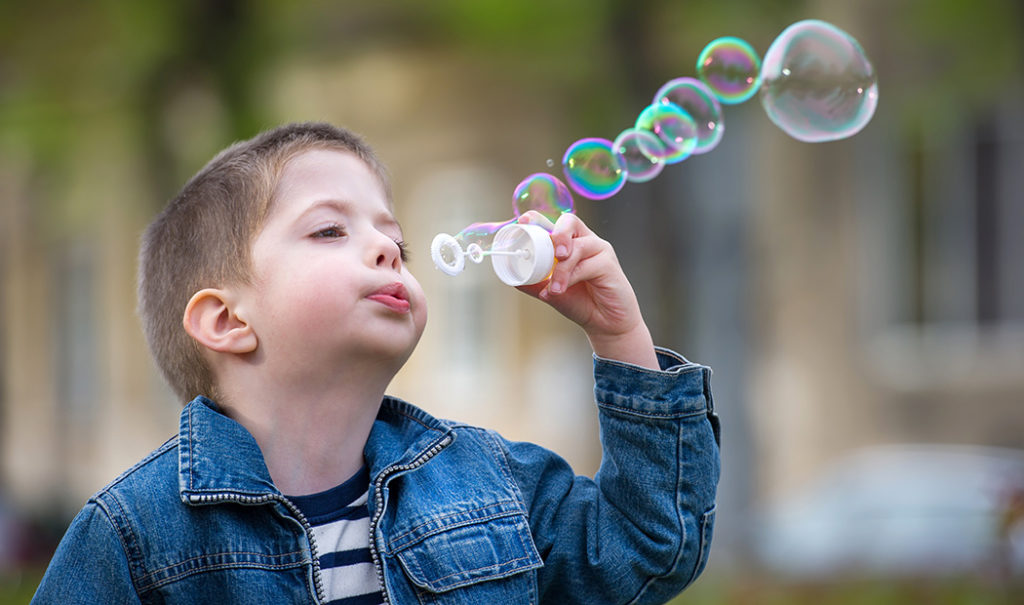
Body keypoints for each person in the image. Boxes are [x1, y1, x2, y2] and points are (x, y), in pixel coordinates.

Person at [32, 122, 720, 604]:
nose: (387, 249)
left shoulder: (489, 482)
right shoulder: (136, 534)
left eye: (396, 240)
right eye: (331, 229)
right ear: (227, 320)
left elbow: (648, 547)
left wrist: (618, 331)